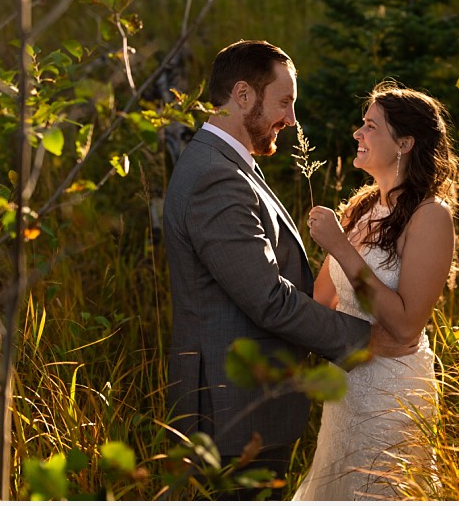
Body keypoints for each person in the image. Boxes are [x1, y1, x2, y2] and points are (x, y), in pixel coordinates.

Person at [162, 40, 410, 499]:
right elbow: (267, 299)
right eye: (284, 102)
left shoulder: (228, 164)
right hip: (232, 412)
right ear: (242, 95)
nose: (291, 119)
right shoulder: (215, 177)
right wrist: (366, 341)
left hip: (246, 405)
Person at [292, 81, 458, 500]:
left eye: (370, 126)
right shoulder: (363, 207)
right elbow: (323, 300)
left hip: (392, 393)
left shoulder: (430, 217)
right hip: (345, 389)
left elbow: (405, 327)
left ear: (404, 142)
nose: (357, 134)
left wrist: (340, 247)